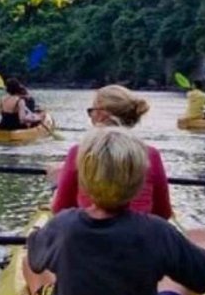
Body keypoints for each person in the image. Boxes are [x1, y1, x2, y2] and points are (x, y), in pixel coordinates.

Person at [22, 127, 205, 295]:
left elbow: (35, 259)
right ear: (140, 182)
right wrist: (202, 244)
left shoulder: (62, 225)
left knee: (27, 263)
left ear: (82, 180)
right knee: (184, 277)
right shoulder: (157, 231)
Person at [50, 84, 171, 217]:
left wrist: (57, 184)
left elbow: (60, 209)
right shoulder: (150, 154)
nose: (90, 116)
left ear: (101, 115)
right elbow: (163, 213)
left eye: (91, 111)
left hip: (90, 233)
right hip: (138, 235)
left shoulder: (79, 152)